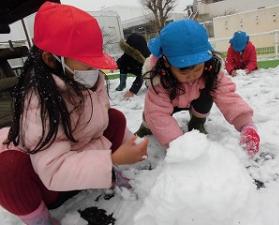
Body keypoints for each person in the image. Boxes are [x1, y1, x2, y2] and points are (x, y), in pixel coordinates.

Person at [0, 2, 148, 225]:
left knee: (115, 117)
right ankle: (39, 219)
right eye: (87, 66)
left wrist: (131, 144)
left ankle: (107, 175)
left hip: (81, 165)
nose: (94, 72)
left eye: (95, 64)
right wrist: (111, 159)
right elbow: (52, 169)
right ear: (51, 59)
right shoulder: (40, 102)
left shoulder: (86, 82)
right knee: (7, 169)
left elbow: (100, 124)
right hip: (48, 186)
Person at [135, 19, 260, 156]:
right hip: (170, 100)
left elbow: (228, 97)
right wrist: (179, 145)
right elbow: (157, 113)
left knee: (208, 95)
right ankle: (146, 128)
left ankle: (197, 122)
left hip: (196, 98)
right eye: (184, 70)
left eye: (197, 68)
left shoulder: (210, 71)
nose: (192, 75)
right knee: (151, 116)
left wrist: (246, 125)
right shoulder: (160, 79)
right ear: (166, 62)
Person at [115, 33, 150, 98]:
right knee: (123, 66)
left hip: (144, 71)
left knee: (147, 77)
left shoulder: (147, 57)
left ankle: (149, 84)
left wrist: (132, 91)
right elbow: (122, 60)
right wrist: (115, 65)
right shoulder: (128, 53)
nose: (131, 53)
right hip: (132, 67)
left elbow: (142, 74)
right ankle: (122, 84)